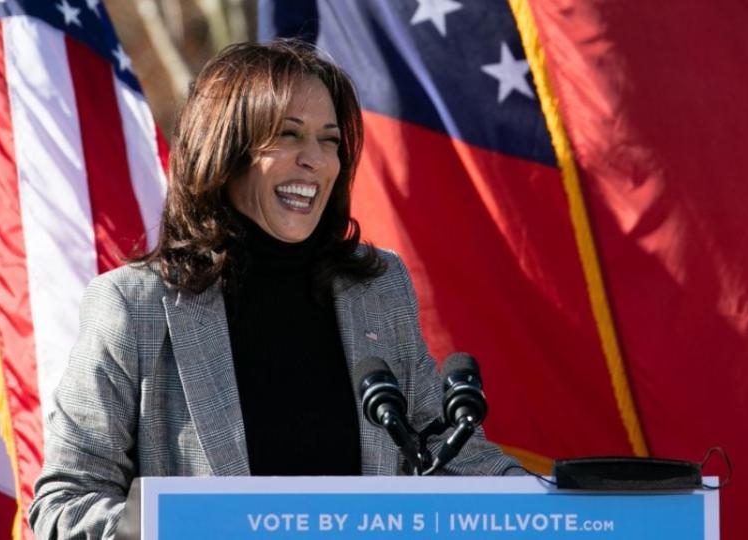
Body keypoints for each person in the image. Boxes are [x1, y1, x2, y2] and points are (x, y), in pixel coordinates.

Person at [29, 40, 517, 538]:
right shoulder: (135, 307)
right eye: (289, 135)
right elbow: (61, 504)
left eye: (330, 141)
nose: (316, 160)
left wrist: (563, 503)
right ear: (227, 151)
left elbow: (453, 455)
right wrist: (178, 528)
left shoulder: (378, 289)